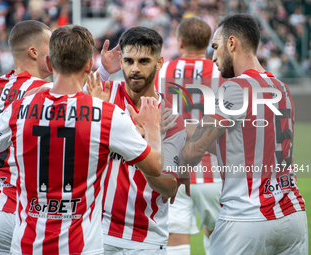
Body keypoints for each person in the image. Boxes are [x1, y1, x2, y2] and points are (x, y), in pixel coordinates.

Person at [0, 24, 162, 255]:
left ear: (49, 63)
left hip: (22, 235)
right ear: (88, 65)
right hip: (80, 244)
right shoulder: (106, 114)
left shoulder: (17, 103)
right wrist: (152, 127)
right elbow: (155, 166)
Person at [180, 14, 307, 255]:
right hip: (293, 216)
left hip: (246, 219)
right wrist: (177, 125)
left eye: (215, 47)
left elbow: (193, 150)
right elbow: (235, 145)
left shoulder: (235, 87)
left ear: (232, 43)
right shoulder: (282, 87)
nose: (213, 56)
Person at [86, 26, 187, 254]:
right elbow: (61, 102)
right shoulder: (103, 95)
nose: (135, 69)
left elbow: (168, 188)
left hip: (146, 239)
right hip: (96, 232)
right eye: (129, 61)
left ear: (159, 63)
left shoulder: (171, 118)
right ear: (120, 61)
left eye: (144, 61)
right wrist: (102, 73)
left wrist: (147, 138)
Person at [154, 17, 222, 255]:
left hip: (174, 166)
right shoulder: (221, 70)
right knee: (218, 233)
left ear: (180, 41)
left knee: (175, 234)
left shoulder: (162, 71)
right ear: (209, 44)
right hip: (213, 168)